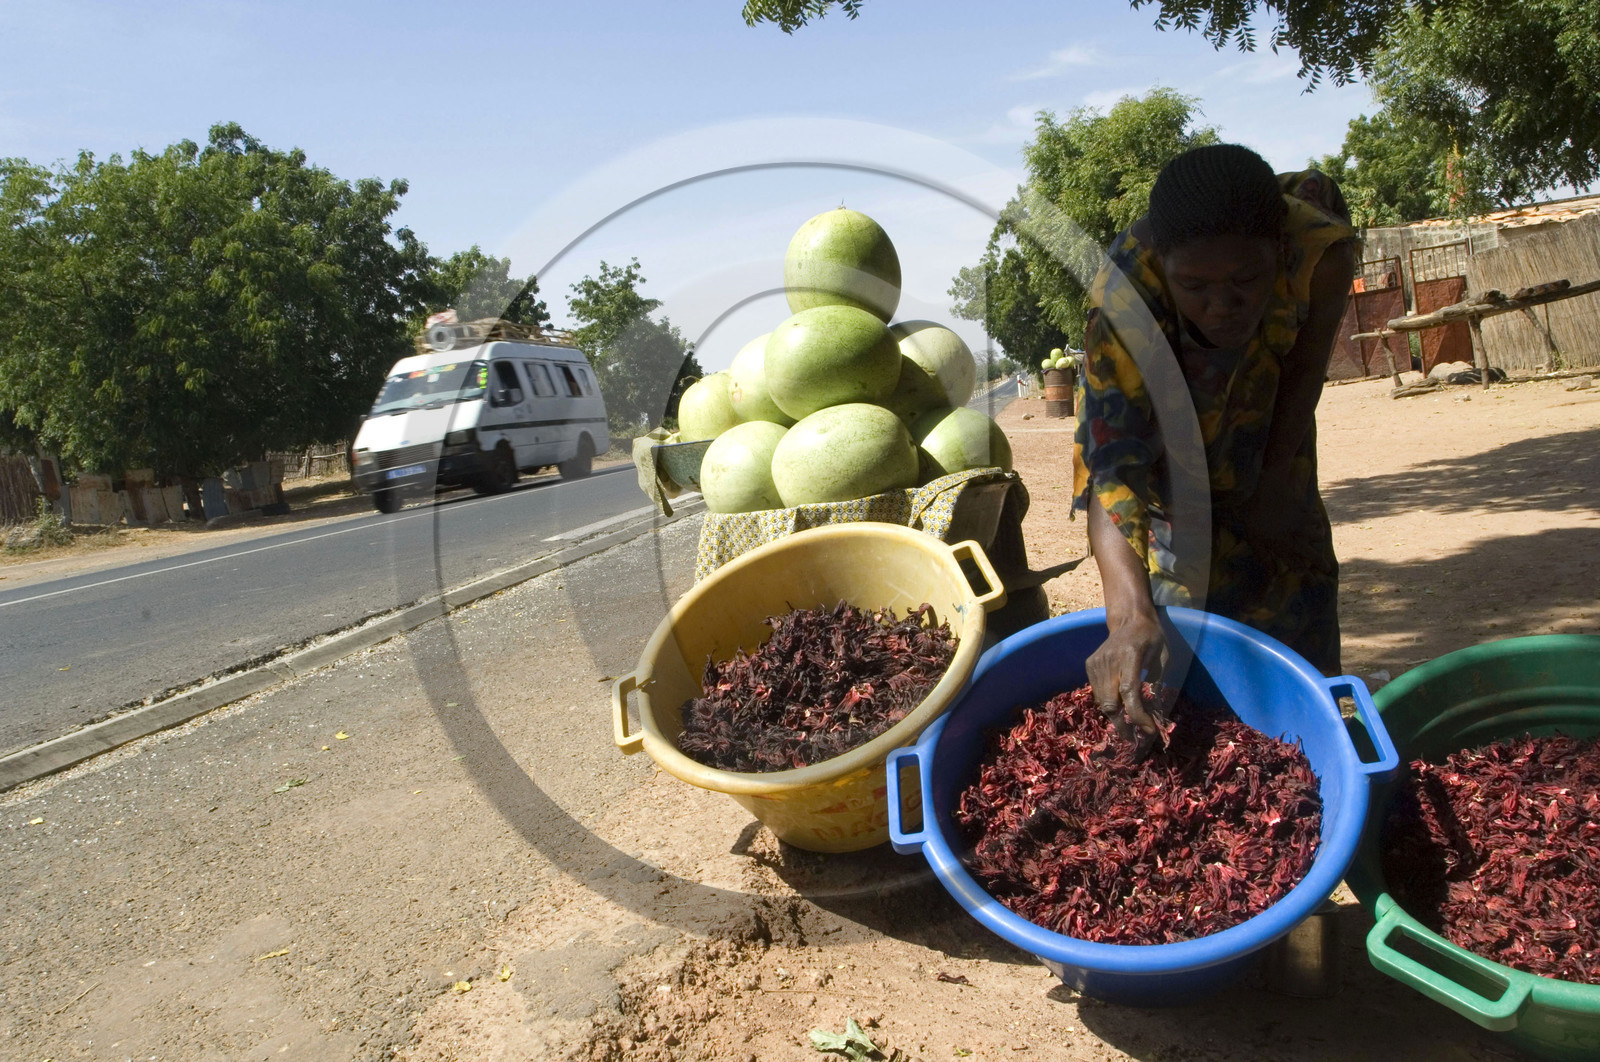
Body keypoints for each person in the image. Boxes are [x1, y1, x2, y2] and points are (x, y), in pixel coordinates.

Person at [1072, 143, 1358, 736]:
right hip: (1172, 477)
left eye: (1245, 280)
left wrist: (1275, 483)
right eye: (1194, 286)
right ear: (1162, 263)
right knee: (1184, 660)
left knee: (1297, 623)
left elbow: (1304, 372)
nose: (1221, 306)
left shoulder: (1317, 253)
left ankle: (1320, 747)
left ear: (1277, 253)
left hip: (1272, 433)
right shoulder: (1126, 298)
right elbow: (1113, 467)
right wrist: (1128, 615)